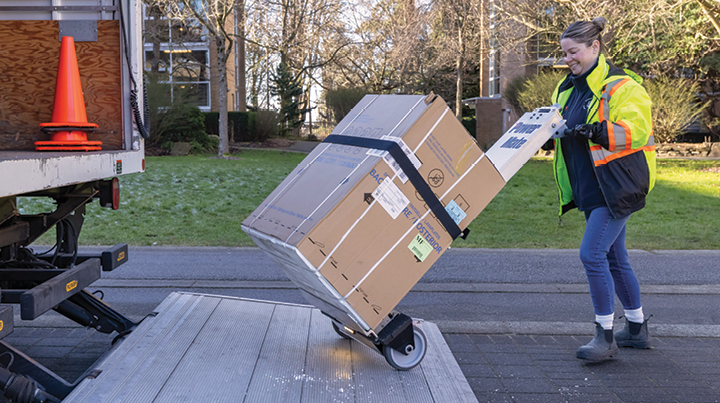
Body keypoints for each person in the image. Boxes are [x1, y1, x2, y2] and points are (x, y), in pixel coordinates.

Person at [550, 17, 656, 361]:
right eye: (565, 53)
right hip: (590, 186)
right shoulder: (566, 88)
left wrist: (598, 130)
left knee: (592, 255)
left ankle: (605, 336)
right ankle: (637, 330)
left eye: (574, 52)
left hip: (616, 186)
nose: (568, 59)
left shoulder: (622, 86)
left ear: (595, 47)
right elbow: (556, 122)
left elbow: (636, 129)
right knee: (614, 257)